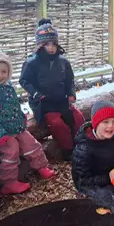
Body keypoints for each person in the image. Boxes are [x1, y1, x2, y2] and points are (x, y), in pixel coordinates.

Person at [0, 49, 55, 195]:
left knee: (31, 143)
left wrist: (20, 117)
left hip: (14, 127)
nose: (0, 75)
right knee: (11, 150)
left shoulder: (7, 86)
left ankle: (41, 167)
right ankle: (9, 182)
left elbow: (13, 104)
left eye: (4, 71)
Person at [19, 18, 84, 160]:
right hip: (43, 102)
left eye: (54, 43)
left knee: (77, 117)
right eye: (47, 44)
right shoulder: (32, 63)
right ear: (40, 45)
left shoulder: (63, 62)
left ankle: (82, 144)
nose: (51, 47)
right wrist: (36, 94)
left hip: (61, 99)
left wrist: (71, 94)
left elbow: (69, 80)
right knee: (57, 124)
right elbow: (24, 81)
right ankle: (68, 150)